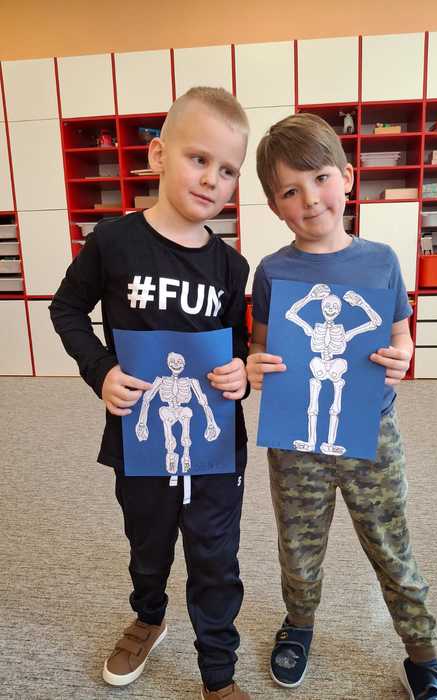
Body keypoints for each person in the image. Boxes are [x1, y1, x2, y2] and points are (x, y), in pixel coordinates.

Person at [50, 86, 252, 700]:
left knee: (215, 555)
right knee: (148, 542)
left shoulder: (231, 267)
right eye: (199, 159)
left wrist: (241, 374)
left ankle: (218, 674)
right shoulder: (113, 242)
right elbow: (66, 310)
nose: (212, 179)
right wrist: (101, 370)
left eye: (228, 170)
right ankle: (149, 615)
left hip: (215, 446)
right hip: (140, 439)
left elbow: (238, 348)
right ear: (159, 154)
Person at [246, 113, 437, 700]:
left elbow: (401, 335)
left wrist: (402, 356)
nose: (310, 199)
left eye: (320, 178)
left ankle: (422, 652)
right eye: (290, 191)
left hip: (371, 431)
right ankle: (299, 624)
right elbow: (261, 347)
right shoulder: (273, 271)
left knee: (390, 542)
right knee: (298, 543)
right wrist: (256, 366)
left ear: (348, 177)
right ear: (275, 206)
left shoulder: (381, 260)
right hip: (296, 440)